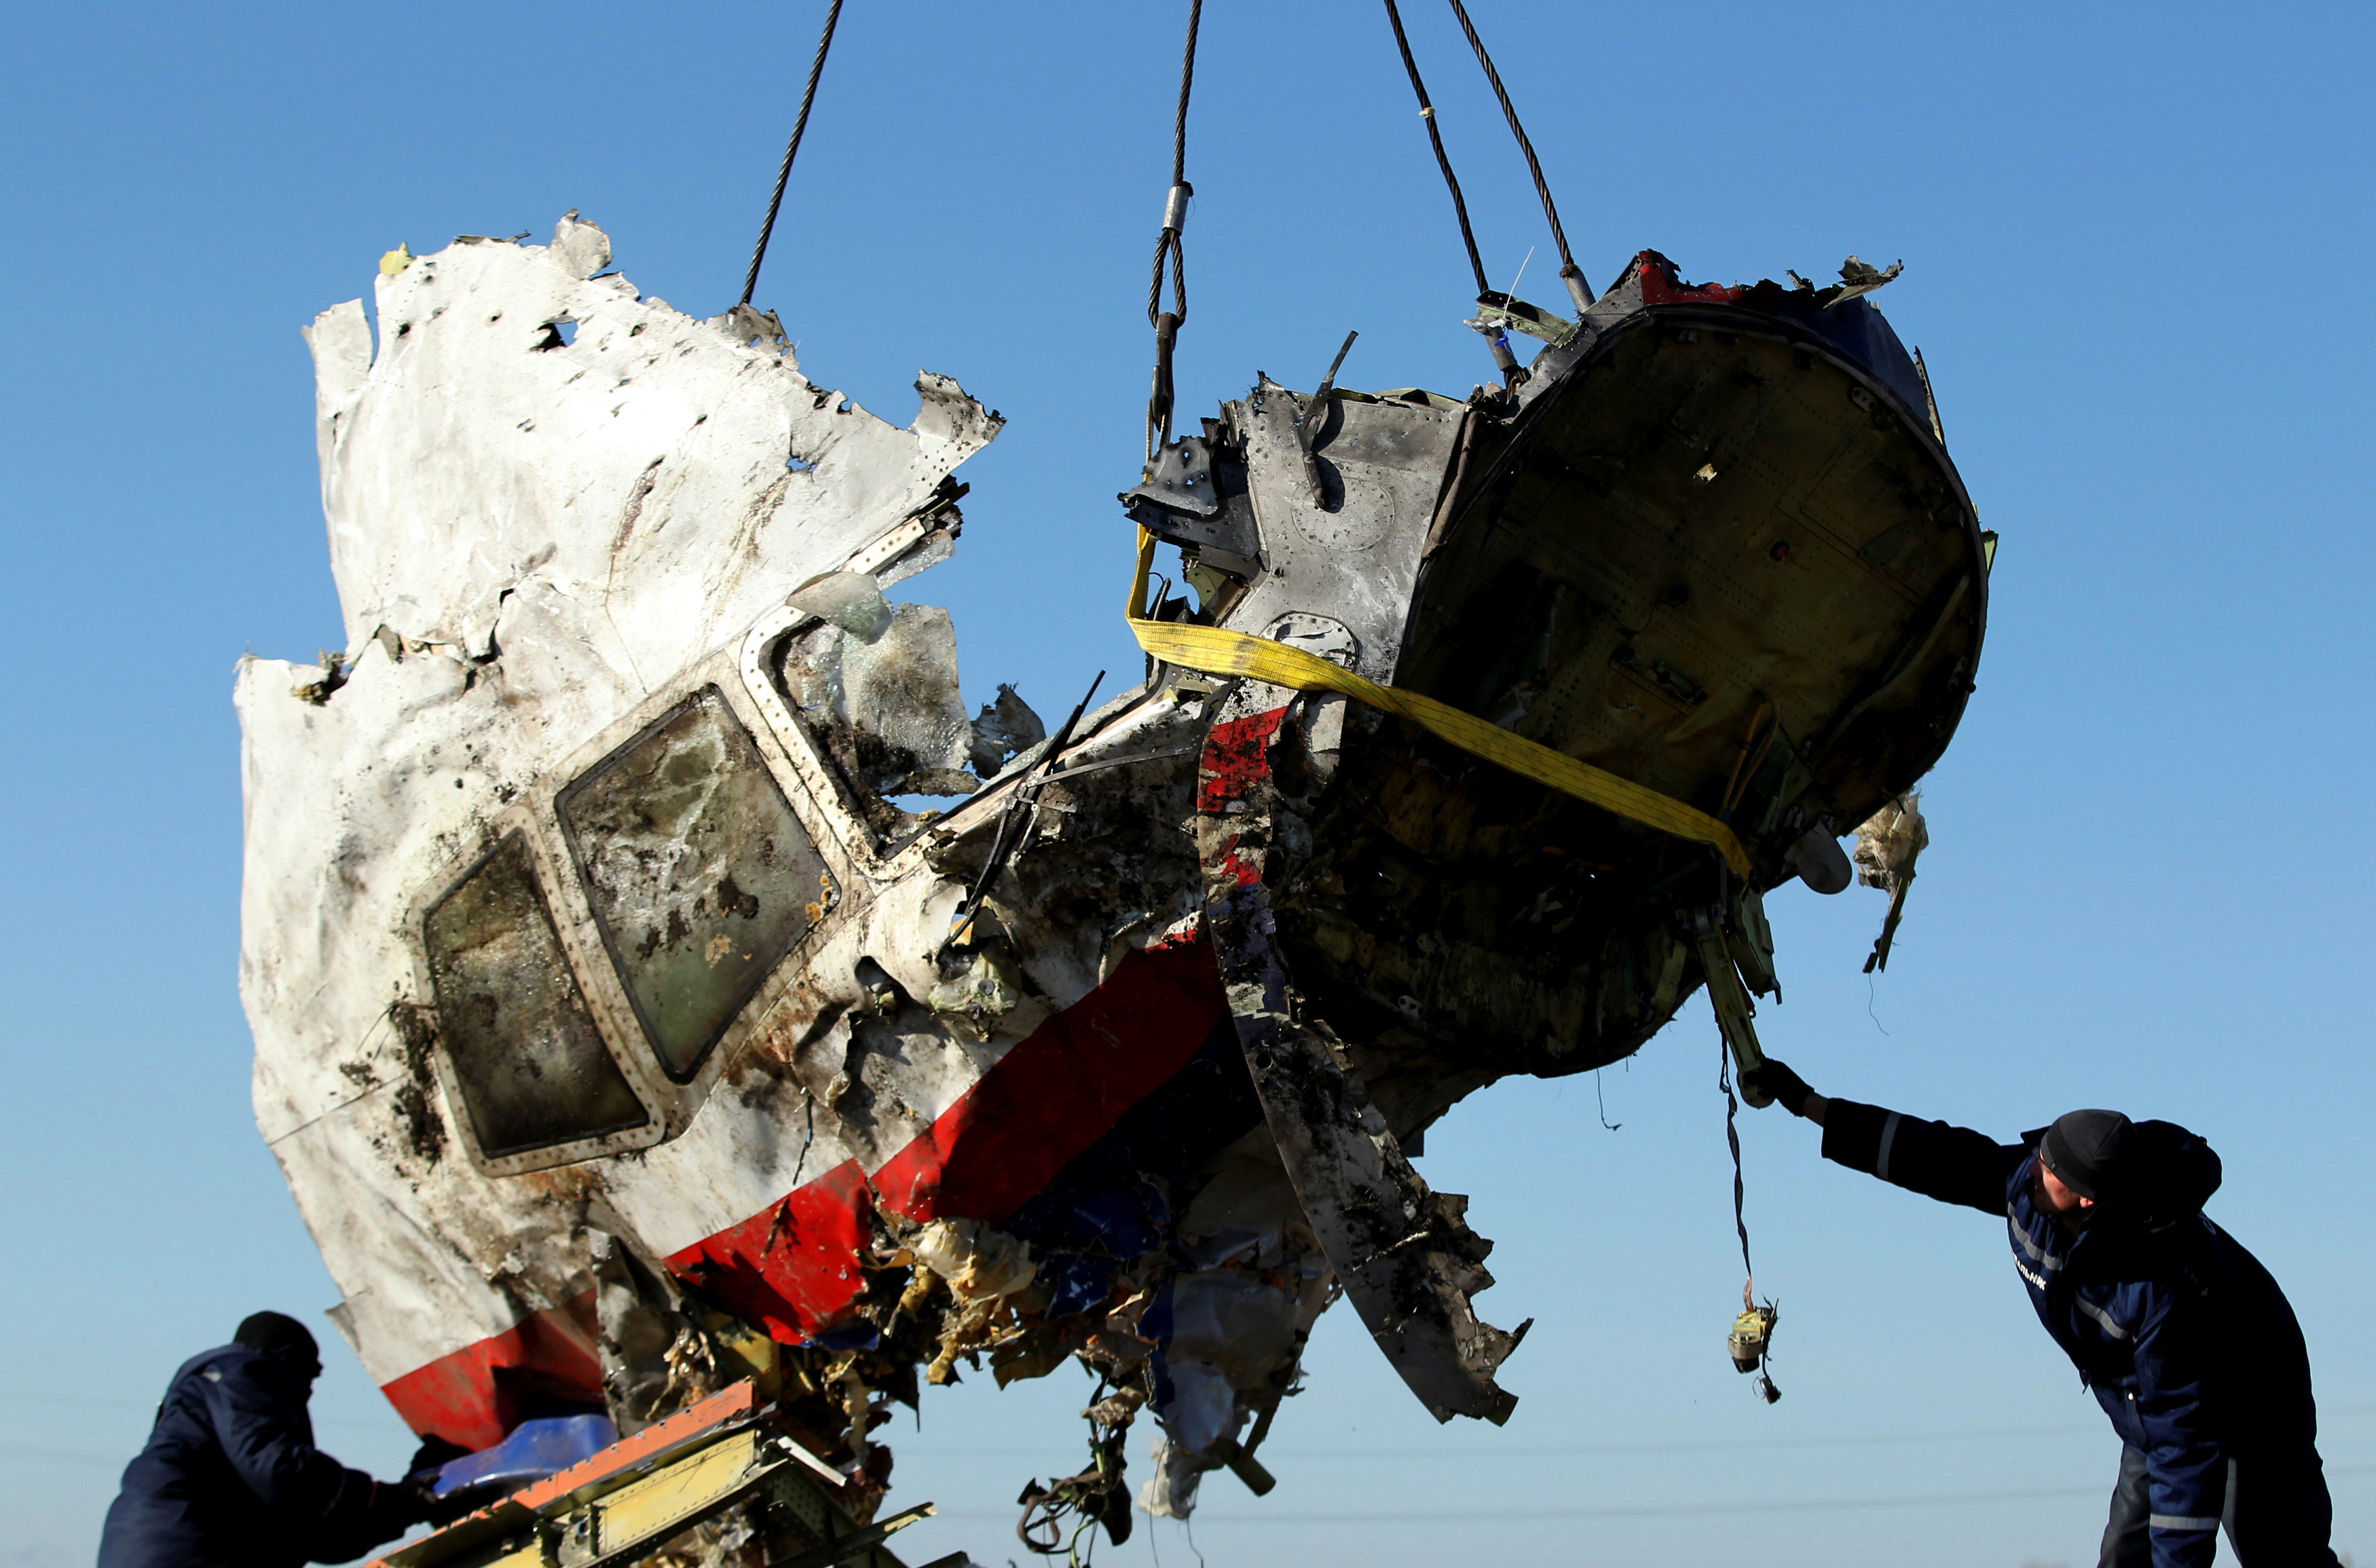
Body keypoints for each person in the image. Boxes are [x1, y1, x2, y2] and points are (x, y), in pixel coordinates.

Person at [1744, 1058, 2339, 1568]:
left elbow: (2186, 1449)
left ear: (2087, 1200)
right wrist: (1808, 1103)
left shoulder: (2166, 1286)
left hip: (2251, 1399)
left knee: (2277, 1553)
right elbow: (1937, 1156)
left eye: (2047, 1168)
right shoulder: (2032, 1184)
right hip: (2148, 1409)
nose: (2031, 1168)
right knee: (2123, 1558)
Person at [97, 1312, 435, 1568]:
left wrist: (400, 1508)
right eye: (311, 1372)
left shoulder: (206, 1419)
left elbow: (310, 1535)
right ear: (287, 1358)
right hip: (189, 1552)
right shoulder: (244, 1372)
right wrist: (380, 1496)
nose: (310, 1389)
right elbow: (279, 1468)